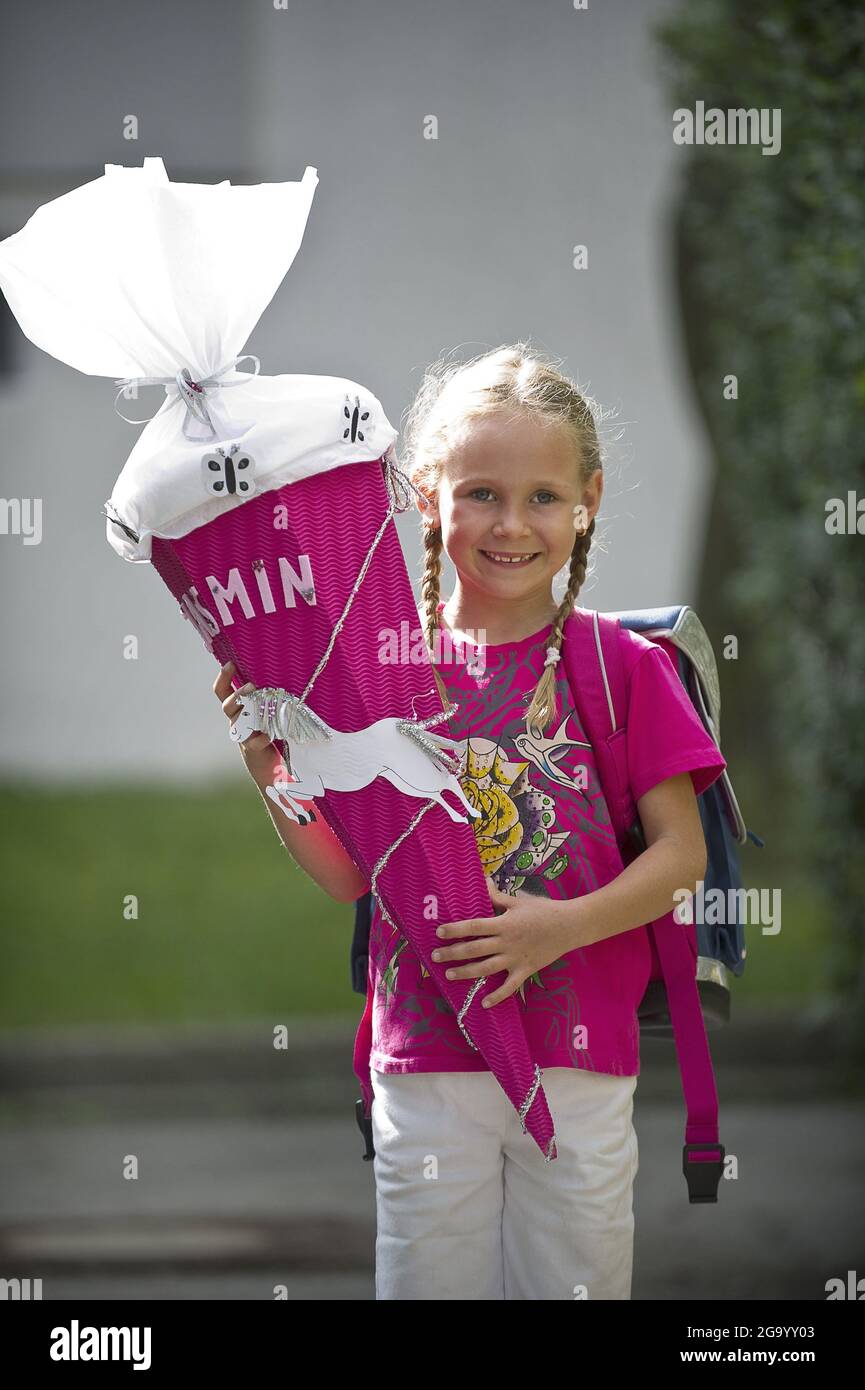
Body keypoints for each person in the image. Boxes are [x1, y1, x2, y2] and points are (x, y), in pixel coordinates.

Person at [214, 342, 726, 1300]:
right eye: (481, 493)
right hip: (423, 1056)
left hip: (579, 1061)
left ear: (588, 500)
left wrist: (560, 927)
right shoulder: (378, 674)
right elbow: (346, 875)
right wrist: (265, 758)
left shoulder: (623, 669)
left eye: (541, 496)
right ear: (424, 493)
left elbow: (680, 856)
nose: (511, 524)